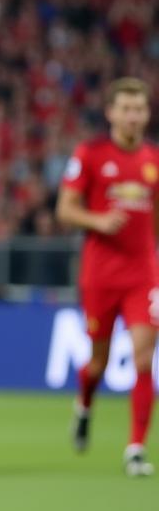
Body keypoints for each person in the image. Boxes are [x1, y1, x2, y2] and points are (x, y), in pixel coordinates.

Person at [57, 78, 158, 477]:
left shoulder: (153, 158)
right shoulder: (91, 153)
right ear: (111, 113)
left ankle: (135, 448)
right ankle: (84, 405)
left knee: (144, 358)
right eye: (127, 108)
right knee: (97, 363)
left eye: (140, 108)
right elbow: (65, 209)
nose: (134, 116)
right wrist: (97, 219)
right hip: (99, 274)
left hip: (142, 275)